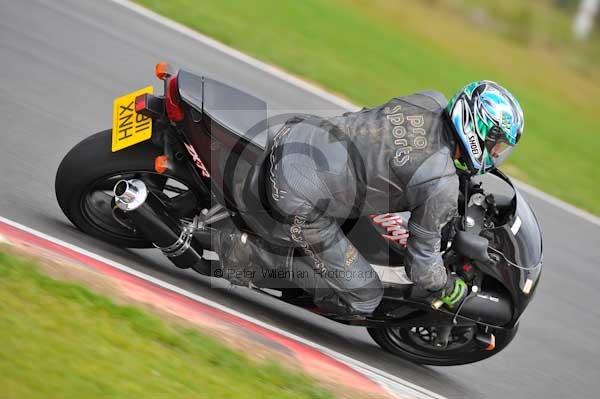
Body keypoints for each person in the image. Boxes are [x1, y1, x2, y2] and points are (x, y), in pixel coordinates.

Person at [215, 80, 524, 317]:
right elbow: (421, 265)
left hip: (301, 134)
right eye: (496, 146)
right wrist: (445, 286)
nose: (496, 155)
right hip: (299, 196)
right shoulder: (438, 184)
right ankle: (244, 256)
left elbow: (392, 144)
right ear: (476, 130)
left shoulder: (428, 100)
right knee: (366, 296)